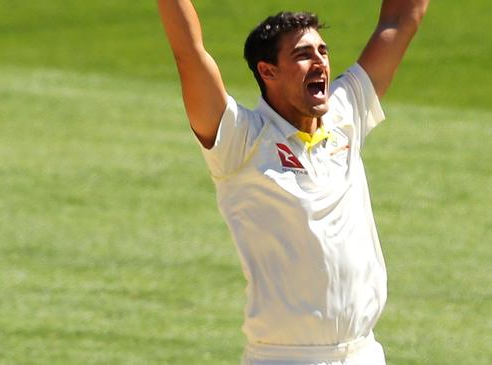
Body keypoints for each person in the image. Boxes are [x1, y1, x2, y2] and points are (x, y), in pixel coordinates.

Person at [157, 1, 429, 364]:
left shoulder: (345, 113)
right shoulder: (241, 140)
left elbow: (400, 20)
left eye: (322, 50)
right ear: (268, 71)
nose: (320, 62)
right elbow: (189, 54)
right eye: (303, 54)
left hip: (363, 353)